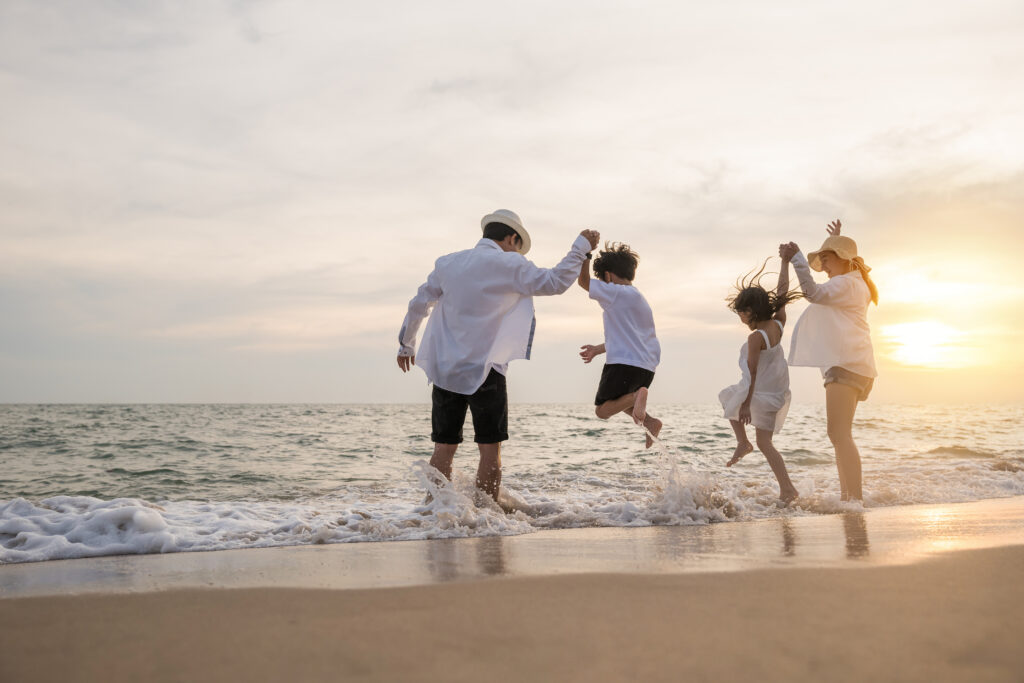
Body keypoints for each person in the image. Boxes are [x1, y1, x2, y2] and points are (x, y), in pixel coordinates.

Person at [397, 209, 600, 502]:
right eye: (518, 245)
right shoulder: (509, 264)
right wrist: (580, 247)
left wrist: (407, 345)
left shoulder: (447, 263)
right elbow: (555, 282)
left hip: (445, 370)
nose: (517, 251)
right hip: (485, 370)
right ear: (511, 238)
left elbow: (419, 303)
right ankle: (488, 519)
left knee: (443, 448)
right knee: (490, 450)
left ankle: (434, 515)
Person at [780, 219, 878, 502]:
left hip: (846, 365)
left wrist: (799, 259)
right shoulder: (851, 283)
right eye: (819, 258)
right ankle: (850, 497)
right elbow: (828, 284)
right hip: (855, 364)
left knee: (839, 434)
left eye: (827, 257)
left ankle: (854, 499)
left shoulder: (848, 284)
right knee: (839, 434)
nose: (822, 263)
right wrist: (835, 241)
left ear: (845, 259)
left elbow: (812, 293)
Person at [719, 259, 801, 503]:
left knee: (729, 398)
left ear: (751, 312)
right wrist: (785, 262)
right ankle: (787, 488)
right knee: (765, 442)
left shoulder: (756, 338)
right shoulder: (778, 324)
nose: (741, 319)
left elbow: (752, 372)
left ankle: (743, 443)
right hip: (776, 391)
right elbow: (783, 294)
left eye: (742, 314)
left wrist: (746, 403)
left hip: (760, 392)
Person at [577, 242, 662, 448]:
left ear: (608, 276)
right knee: (618, 400)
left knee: (602, 410)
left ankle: (637, 396)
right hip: (647, 367)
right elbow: (627, 338)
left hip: (623, 364)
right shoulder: (639, 299)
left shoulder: (615, 292)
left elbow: (583, 282)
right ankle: (650, 421)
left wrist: (584, 253)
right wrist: (598, 349)